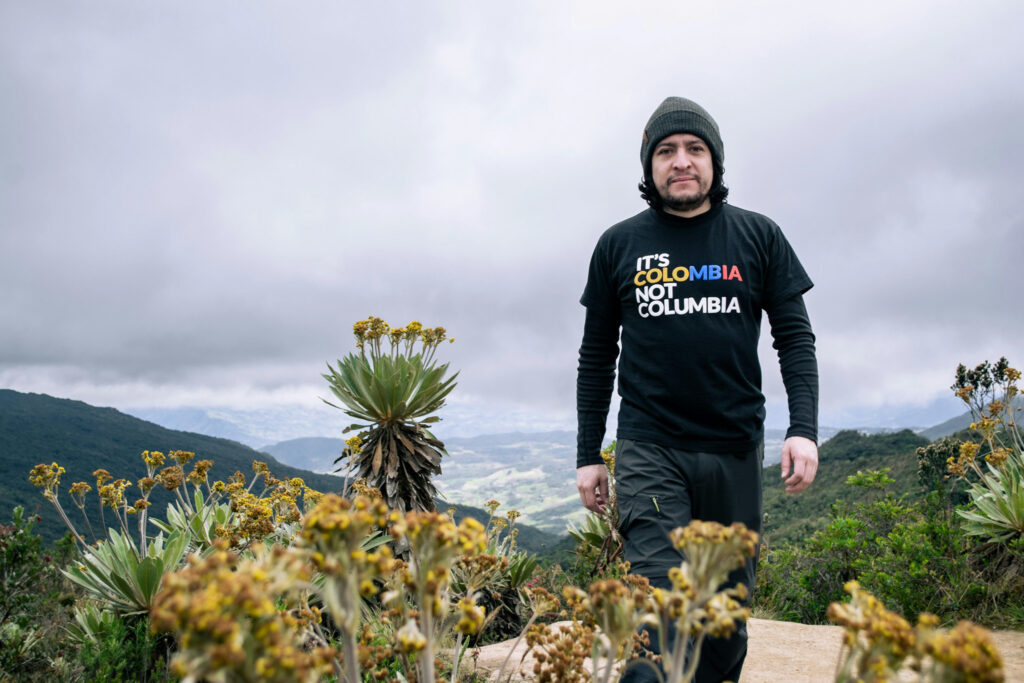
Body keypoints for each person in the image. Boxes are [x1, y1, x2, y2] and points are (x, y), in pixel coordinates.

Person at [575, 96, 819, 682]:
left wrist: (804, 429)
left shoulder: (758, 237)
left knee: (723, 627)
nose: (680, 162)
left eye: (694, 149)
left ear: (714, 162)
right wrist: (588, 454)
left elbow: (796, 339)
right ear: (649, 167)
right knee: (659, 622)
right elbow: (596, 356)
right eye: (666, 151)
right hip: (649, 448)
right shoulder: (618, 245)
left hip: (734, 451)